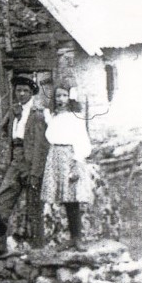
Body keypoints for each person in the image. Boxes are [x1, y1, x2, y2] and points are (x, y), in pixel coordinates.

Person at [0, 74, 50, 254]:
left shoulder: (38, 114)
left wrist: (36, 172)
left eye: (25, 90)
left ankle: (38, 250)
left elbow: (41, 146)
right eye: (18, 90)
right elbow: (2, 131)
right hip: (15, 160)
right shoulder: (14, 111)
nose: (21, 93)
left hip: (31, 161)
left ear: (32, 93)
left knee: (34, 207)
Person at [41, 83, 93, 250]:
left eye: (64, 95)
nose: (60, 99)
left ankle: (77, 238)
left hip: (70, 156)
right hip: (55, 156)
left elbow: (81, 140)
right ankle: (70, 237)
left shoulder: (75, 116)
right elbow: (50, 133)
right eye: (57, 96)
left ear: (70, 97)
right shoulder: (53, 116)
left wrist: (77, 163)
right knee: (63, 198)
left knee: (72, 198)